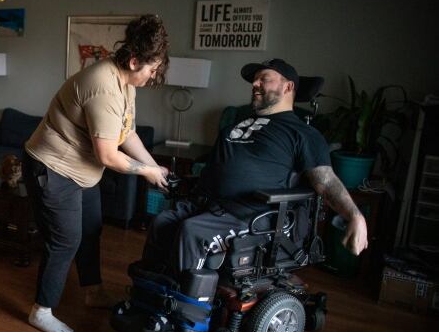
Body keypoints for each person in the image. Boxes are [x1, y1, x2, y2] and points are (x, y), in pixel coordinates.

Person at [143, 58, 368, 276]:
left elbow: (326, 181)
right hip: (209, 206)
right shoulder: (236, 125)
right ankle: (151, 297)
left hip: (252, 216)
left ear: (288, 86)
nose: (255, 84)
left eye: (264, 79)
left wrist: (355, 216)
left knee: (192, 231)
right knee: (162, 223)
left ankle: (186, 311)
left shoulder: (304, 134)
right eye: (255, 80)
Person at [23, 14, 170, 332]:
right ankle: (42, 310)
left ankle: (92, 292)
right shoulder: (102, 86)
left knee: (90, 229)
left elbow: (126, 133)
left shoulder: (126, 82)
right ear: (133, 61)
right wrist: (145, 172)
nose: (153, 75)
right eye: (151, 69)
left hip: (82, 171)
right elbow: (107, 155)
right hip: (52, 167)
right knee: (65, 241)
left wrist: (154, 165)